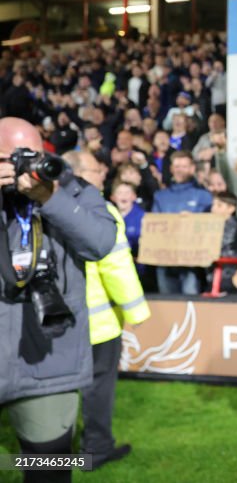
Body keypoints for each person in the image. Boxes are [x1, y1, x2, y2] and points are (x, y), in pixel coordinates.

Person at [0, 117, 117, 483]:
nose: (23, 165)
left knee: (48, 470)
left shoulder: (72, 189)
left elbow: (100, 241)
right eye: (11, 157)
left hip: (48, 361)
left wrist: (50, 198)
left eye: (31, 154)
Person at [62, 151, 150, 469]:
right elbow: (116, 266)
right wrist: (137, 312)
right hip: (97, 322)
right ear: (80, 173)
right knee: (97, 387)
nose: (103, 174)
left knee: (58, 390)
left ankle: (51, 452)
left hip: (55, 320)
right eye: (97, 170)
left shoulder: (44, 203)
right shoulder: (99, 208)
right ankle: (95, 450)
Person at [152, 151, 213, 294]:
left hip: (191, 260)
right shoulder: (161, 196)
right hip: (165, 258)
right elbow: (153, 224)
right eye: (177, 166)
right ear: (171, 169)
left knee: (191, 302)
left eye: (184, 166)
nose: (180, 170)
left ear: (192, 168)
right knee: (167, 302)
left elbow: (210, 224)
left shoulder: (204, 196)